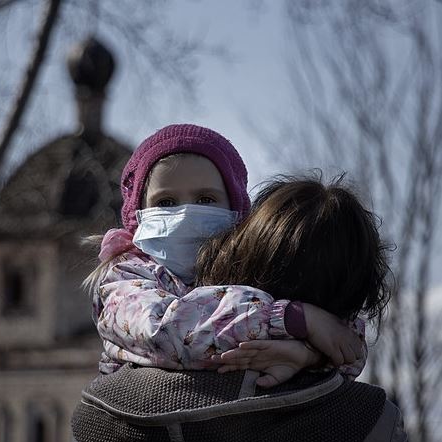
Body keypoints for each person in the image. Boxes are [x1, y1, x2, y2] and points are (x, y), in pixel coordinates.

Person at [70, 175, 408, 442]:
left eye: (206, 199)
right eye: (167, 202)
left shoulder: (100, 415)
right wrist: (311, 349)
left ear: (242, 248)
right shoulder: (373, 422)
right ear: (356, 294)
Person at [86, 123, 365, 386]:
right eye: (166, 202)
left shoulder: (248, 270)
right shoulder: (123, 277)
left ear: (236, 212)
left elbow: (348, 347)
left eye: (205, 199)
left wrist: (305, 355)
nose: (184, 215)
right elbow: (166, 332)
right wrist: (290, 320)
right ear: (139, 214)